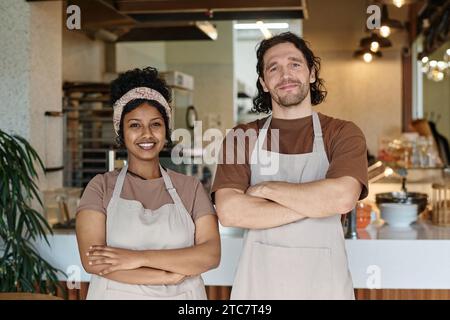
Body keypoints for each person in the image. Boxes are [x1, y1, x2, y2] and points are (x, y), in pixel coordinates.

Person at [212, 32, 368, 300]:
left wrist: (265, 189)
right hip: (259, 287)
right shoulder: (242, 137)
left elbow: (342, 198)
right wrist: (317, 203)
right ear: (263, 82)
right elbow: (230, 212)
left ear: (311, 73)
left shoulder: (342, 132)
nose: (285, 75)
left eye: (295, 64)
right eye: (274, 68)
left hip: (325, 286)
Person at [76, 67, 220, 300]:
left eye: (155, 124)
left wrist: (138, 258)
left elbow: (210, 254)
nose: (147, 134)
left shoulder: (190, 188)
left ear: (166, 131)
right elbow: (93, 261)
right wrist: (165, 275)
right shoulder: (100, 187)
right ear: (121, 132)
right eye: (135, 125)